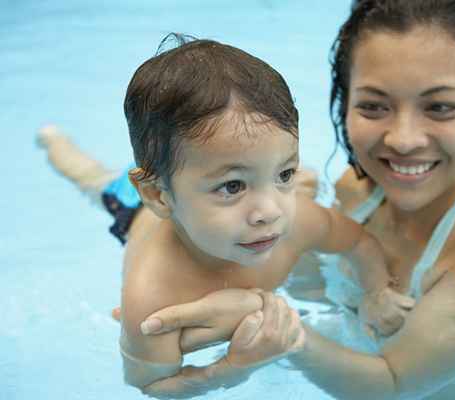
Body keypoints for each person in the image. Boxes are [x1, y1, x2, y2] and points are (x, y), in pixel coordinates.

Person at [133, 1, 455, 399]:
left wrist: (280, 329)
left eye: (440, 108)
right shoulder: (358, 193)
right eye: (375, 107)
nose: (403, 139)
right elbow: (314, 291)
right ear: (344, 107)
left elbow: (392, 385)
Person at [37, 35, 416, 394]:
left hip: (176, 182)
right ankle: (55, 142)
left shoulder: (297, 219)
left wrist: (377, 292)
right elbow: (151, 385)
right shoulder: (154, 299)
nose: (269, 212)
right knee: (89, 177)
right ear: (158, 194)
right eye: (232, 187)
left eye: (284, 173)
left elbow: (359, 242)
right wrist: (234, 368)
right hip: (133, 210)